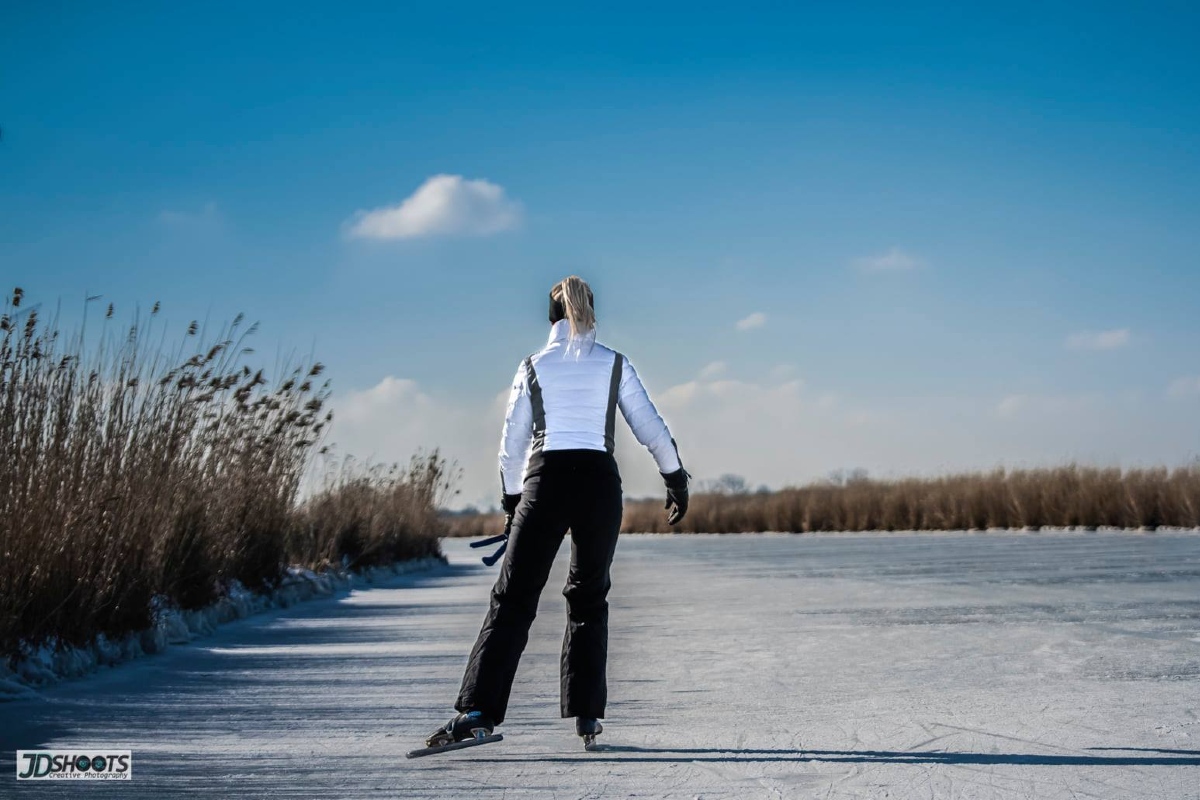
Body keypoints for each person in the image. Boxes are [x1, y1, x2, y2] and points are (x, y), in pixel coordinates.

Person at [424, 275, 690, 749]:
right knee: (589, 598)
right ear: (592, 312)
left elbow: (511, 443)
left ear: (550, 317)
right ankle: (587, 714)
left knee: (513, 598)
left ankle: (478, 710)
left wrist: (512, 502)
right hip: (598, 485)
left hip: (545, 483)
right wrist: (675, 478)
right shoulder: (614, 363)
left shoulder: (533, 365)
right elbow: (649, 424)